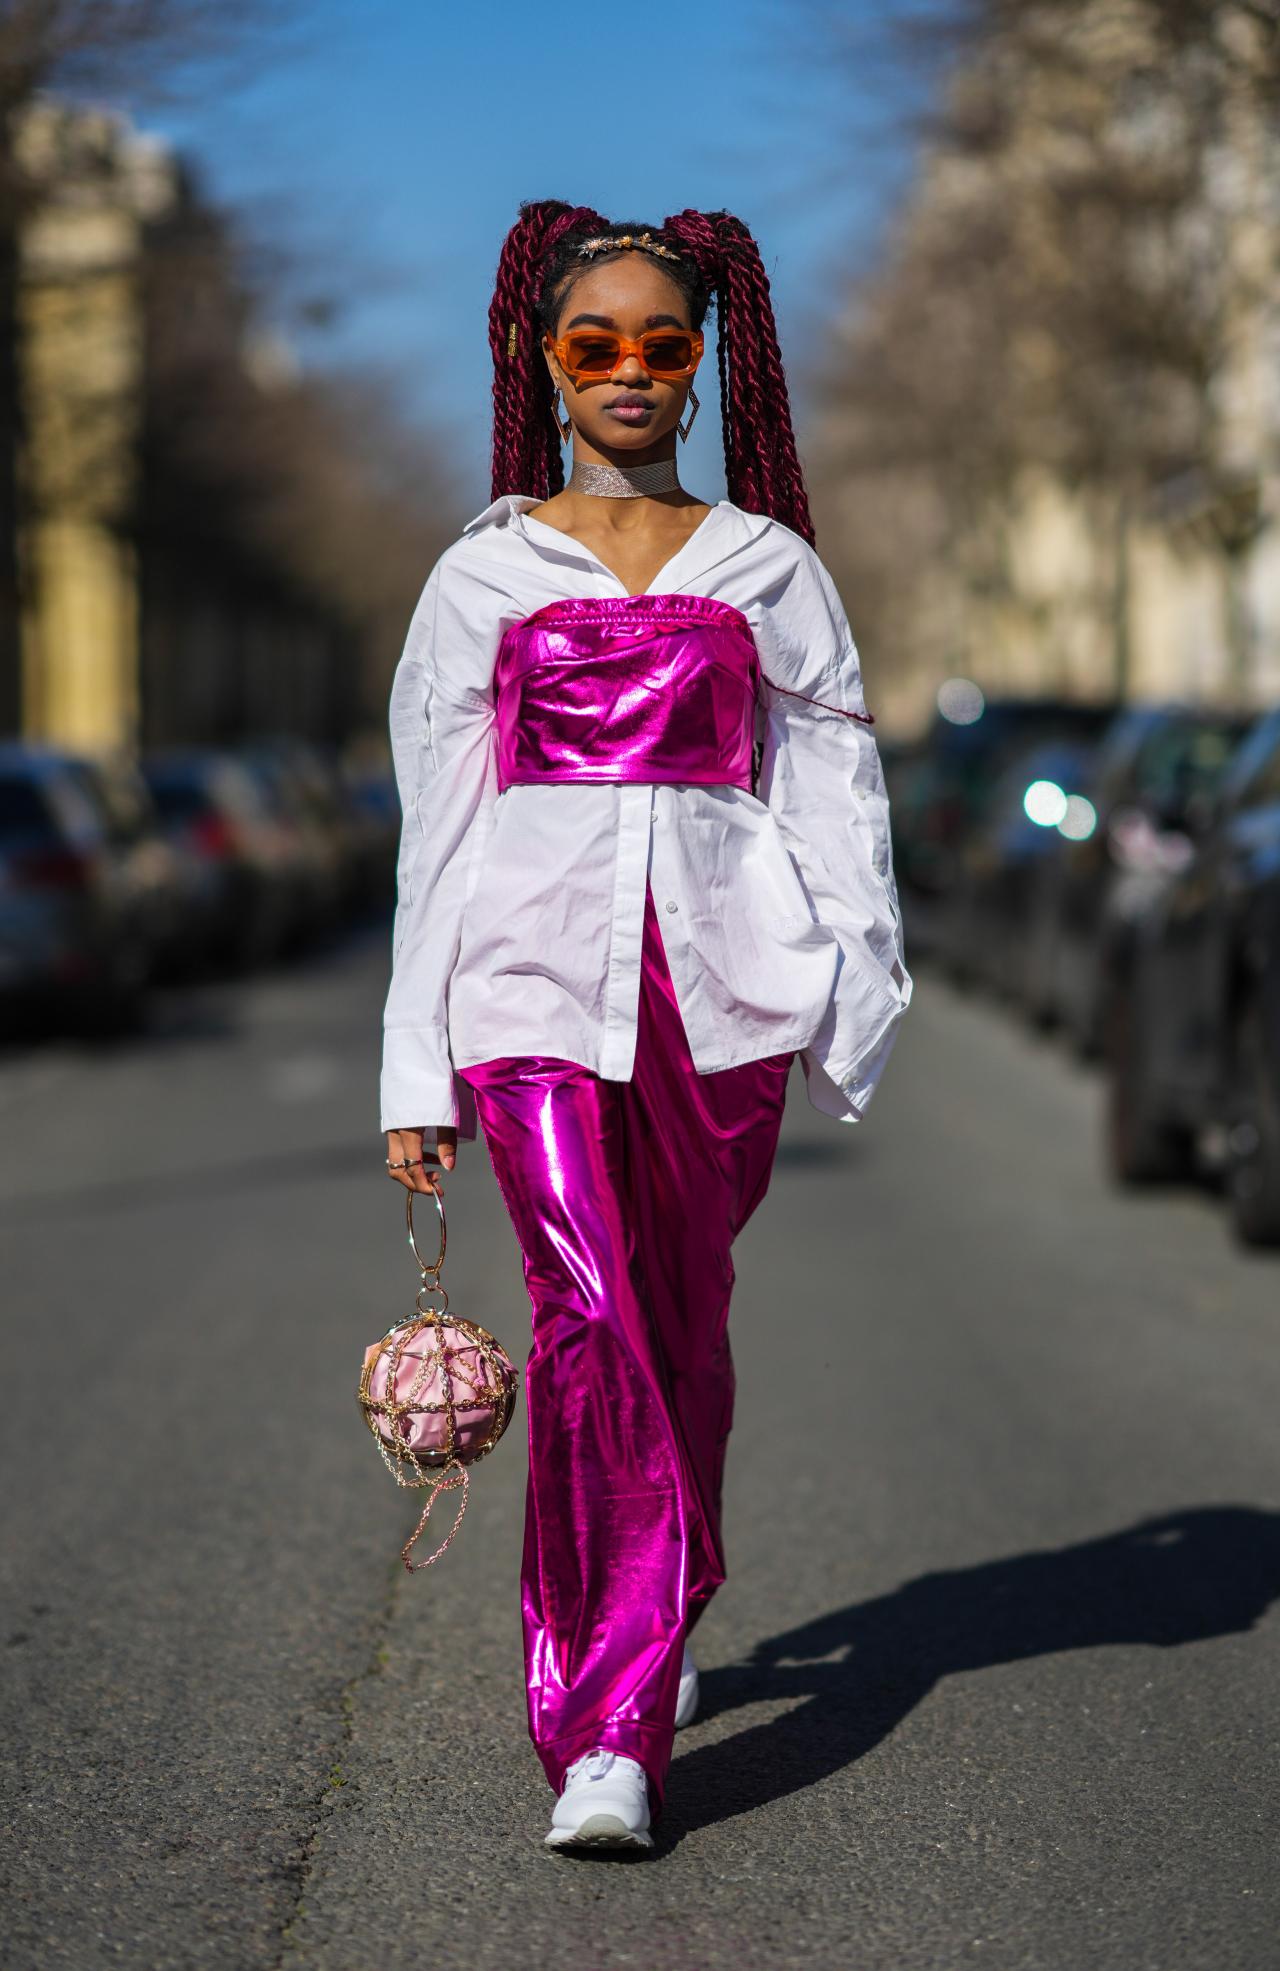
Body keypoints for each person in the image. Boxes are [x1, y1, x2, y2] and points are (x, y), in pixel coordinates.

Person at [379, 200, 911, 1852]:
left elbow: (836, 781)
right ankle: (603, 1729)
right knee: (594, 1317)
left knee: (681, 1320)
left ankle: (662, 1597)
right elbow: (438, 828)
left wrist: (854, 982)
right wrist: (416, 1067)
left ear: (704, 368)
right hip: (526, 996)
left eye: (658, 345)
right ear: (541, 362)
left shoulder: (769, 568)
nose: (625, 371)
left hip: (726, 996)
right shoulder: (483, 574)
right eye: (592, 342)